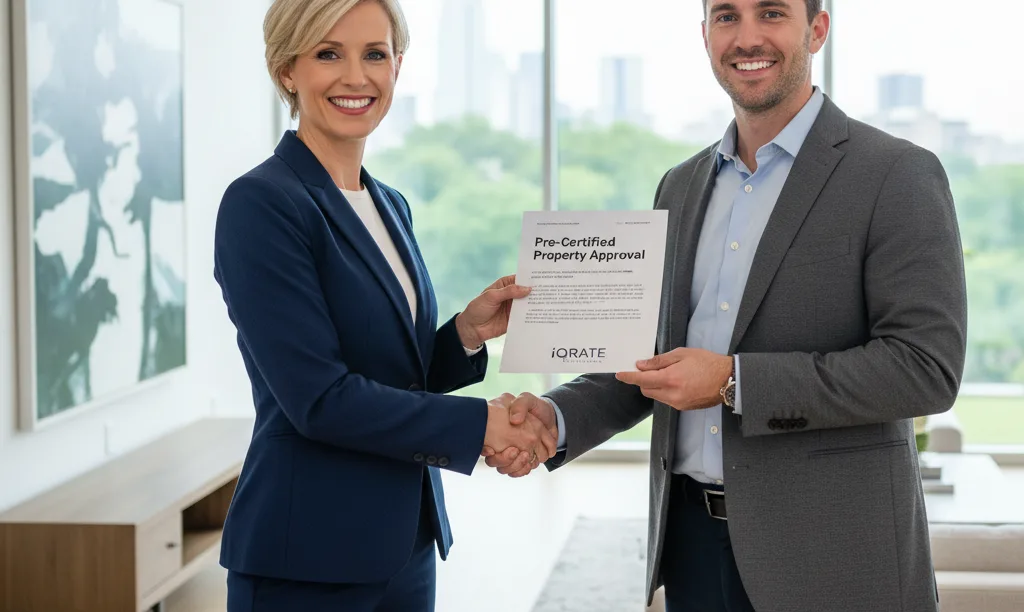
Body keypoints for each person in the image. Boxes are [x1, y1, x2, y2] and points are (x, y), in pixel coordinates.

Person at [485, 1, 968, 611]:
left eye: (771, 13)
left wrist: (732, 382)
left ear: (817, 29)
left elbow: (925, 368)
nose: (747, 37)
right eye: (726, 16)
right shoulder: (680, 185)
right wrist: (553, 418)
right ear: (705, 33)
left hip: (833, 554)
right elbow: (653, 357)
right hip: (690, 544)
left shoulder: (896, 174)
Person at [212, 0, 554, 609]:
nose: (356, 77)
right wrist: (481, 425)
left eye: (374, 54)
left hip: (405, 543)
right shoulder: (261, 204)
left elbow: (393, 374)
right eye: (328, 54)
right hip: (307, 557)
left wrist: (465, 334)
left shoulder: (389, 203)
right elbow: (319, 399)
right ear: (286, 69)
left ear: (398, 65)